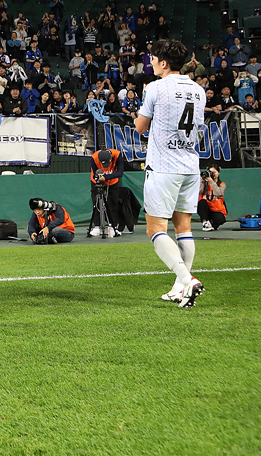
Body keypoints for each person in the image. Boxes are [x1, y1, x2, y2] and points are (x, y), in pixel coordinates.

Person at [134, 39, 206, 308]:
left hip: (164, 166)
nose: (151, 63)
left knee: (155, 229)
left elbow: (140, 127)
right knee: (183, 228)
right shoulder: (198, 90)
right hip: (190, 166)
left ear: (163, 63)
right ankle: (179, 289)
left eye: (153, 59)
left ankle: (187, 280)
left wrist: (140, 110)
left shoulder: (155, 87)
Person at [88, 148, 125, 237]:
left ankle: (113, 226)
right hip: (96, 181)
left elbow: (120, 173)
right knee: (96, 202)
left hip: (112, 181)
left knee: (113, 203)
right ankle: (97, 226)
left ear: (110, 158)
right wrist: (99, 177)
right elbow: (95, 172)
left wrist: (106, 177)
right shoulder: (94, 157)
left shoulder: (117, 155)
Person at [197, 166, 227, 232]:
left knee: (220, 219)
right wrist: (201, 181)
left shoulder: (222, 184)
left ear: (218, 173)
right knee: (201, 202)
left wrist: (211, 181)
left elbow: (219, 193)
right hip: (206, 208)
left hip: (216, 209)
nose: (212, 174)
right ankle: (205, 222)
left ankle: (213, 225)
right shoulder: (204, 183)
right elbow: (199, 191)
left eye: (214, 172)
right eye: (210, 172)